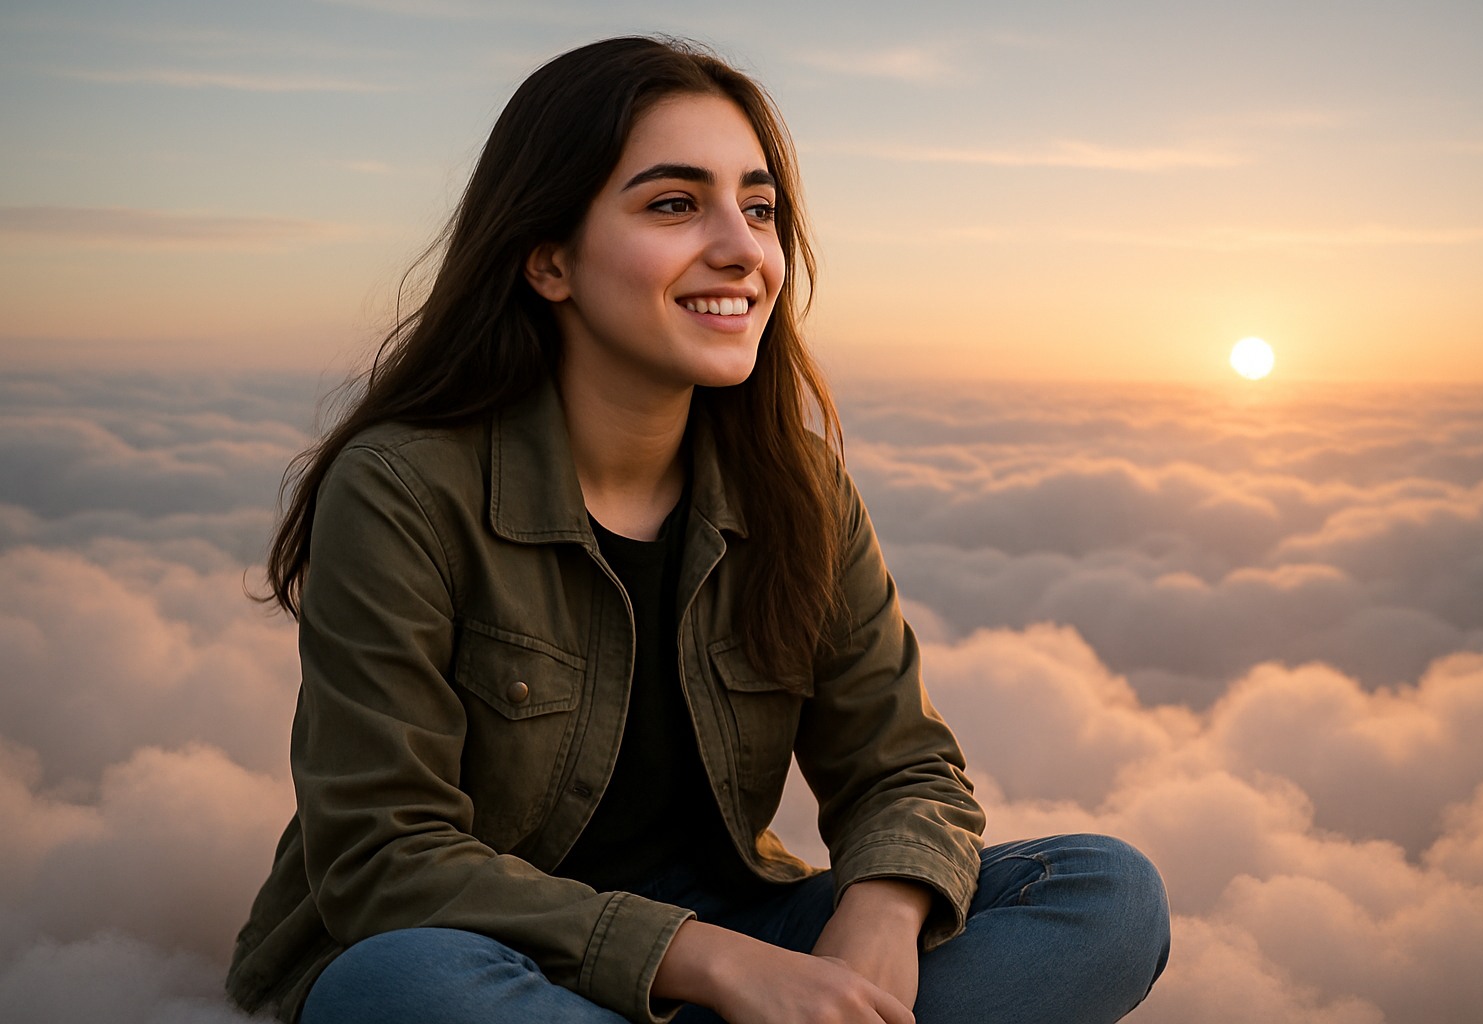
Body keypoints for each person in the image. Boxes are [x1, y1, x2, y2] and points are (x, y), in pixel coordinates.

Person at [224, 35, 1169, 1024]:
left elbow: (901, 765)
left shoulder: (796, 487)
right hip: (494, 955)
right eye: (675, 204)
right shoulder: (405, 489)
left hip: (738, 925)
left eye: (758, 208)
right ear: (548, 259)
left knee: (1107, 891)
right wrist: (712, 964)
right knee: (402, 988)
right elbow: (385, 856)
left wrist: (881, 913)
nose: (742, 248)